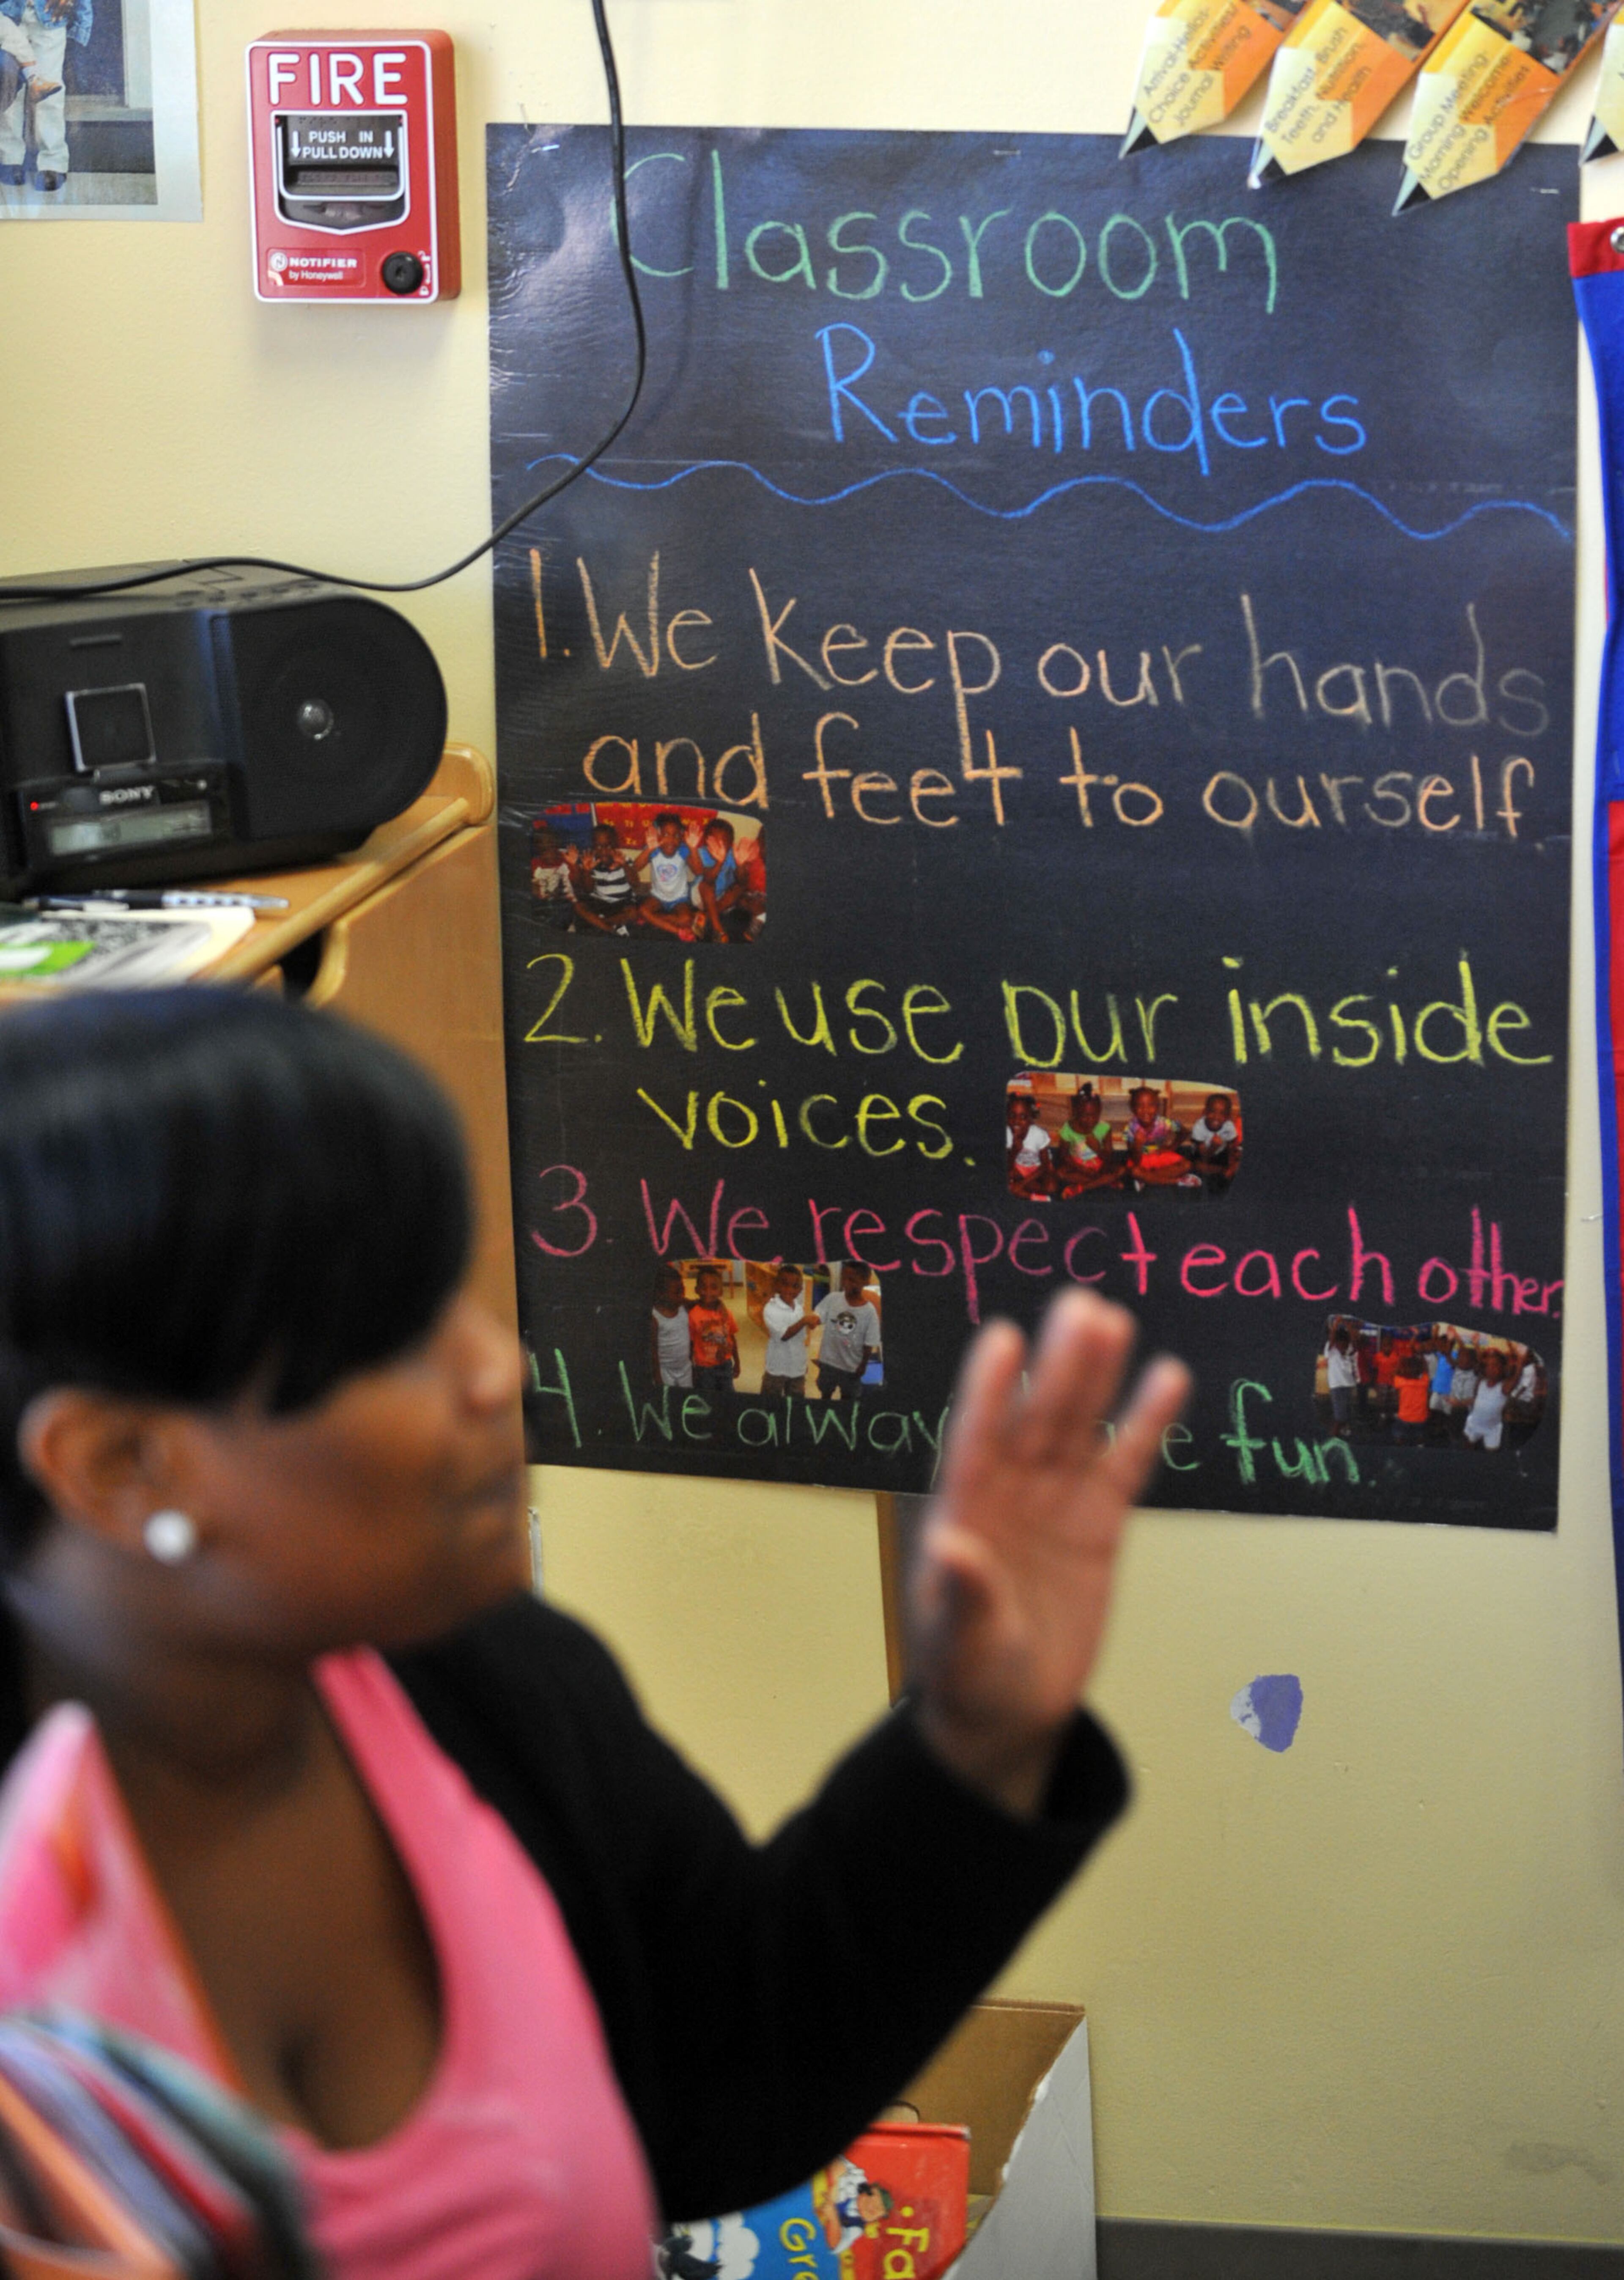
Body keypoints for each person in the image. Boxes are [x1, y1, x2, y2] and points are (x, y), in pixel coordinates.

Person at [0, 989, 1188, 2279]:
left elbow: (728, 2077)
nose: (496, 1365)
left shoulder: (484, 1679)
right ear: (118, 1464)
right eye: (395, 1335)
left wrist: (982, 1725)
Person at [0, 0, 84, 193]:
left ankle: (53, 162)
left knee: (49, 88)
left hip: (50, 13)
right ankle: (9, 157)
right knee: (10, 85)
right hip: (9, 13)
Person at [814, 1265, 881, 1402]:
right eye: (844, 1279)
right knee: (825, 1394)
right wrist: (811, 1320)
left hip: (851, 1367)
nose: (846, 1284)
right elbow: (818, 1315)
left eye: (852, 1280)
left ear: (866, 1282)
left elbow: (870, 1343)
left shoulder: (869, 1312)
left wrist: (863, 1365)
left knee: (848, 1398)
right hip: (829, 1362)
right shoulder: (833, 1299)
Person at [686, 1261, 740, 1412]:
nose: (708, 1292)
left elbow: (732, 1338)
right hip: (704, 1369)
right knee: (707, 1401)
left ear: (722, 1291)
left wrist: (738, 1363)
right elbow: (690, 1343)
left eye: (714, 1287)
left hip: (725, 1365)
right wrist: (693, 1368)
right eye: (704, 1287)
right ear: (697, 1290)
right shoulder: (693, 1315)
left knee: (728, 1399)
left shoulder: (726, 1313)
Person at [636, 813, 700, 941]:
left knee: (687, 919)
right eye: (666, 835)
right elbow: (636, 867)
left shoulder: (683, 850)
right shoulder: (654, 850)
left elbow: (698, 871)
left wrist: (693, 849)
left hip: (680, 899)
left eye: (676, 836)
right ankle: (678, 931)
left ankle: (655, 919)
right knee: (643, 910)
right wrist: (649, 849)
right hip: (658, 897)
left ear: (682, 837)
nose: (671, 840)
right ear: (658, 835)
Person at [760, 1264, 817, 1400]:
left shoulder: (798, 1308)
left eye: (796, 1286)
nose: (790, 1290)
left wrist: (803, 1364)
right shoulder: (771, 1309)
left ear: (801, 1289)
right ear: (777, 1285)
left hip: (797, 1369)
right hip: (777, 1369)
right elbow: (784, 1336)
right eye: (785, 1284)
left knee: (796, 1403)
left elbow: (800, 1341)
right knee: (770, 1402)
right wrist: (804, 1321)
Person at [1122, 1087, 1198, 1189]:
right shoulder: (1130, 1129)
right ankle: (1176, 1181)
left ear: (1158, 1107)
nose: (1146, 1110)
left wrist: (1172, 1147)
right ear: (1133, 1108)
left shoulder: (1164, 1123)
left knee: (1187, 1165)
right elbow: (1135, 1159)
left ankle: (1147, 1179)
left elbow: (1185, 1132)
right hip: (1141, 1159)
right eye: (1140, 1106)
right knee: (1134, 1172)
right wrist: (1137, 1144)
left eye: (1151, 1105)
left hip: (1159, 1154)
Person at [571, 823, 639, 934]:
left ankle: (601, 924)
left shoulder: (623, 860)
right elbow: (588, 890)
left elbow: (636, 884)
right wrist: (587, 871)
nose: (603, 852)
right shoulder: (593, 863)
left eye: (608, 846)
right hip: (600, 902)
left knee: (633, 913)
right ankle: (611, 928)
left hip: (622, 903)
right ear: (593, 847)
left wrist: (625, 866)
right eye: (598, 847)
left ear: (615, 845)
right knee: (578, 906)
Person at [1052, 1086, 1116, 1196]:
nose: (1090, 1120)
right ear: (1076, 1112)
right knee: (1059, 1173)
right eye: (1085, 1116)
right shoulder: (1068, 1128)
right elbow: (1063, 1156)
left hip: (1098, 1164)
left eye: (1094, 1116)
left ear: (1100, 1111)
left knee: (1121, 1170)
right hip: (1077, 1165)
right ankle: (1102, 1182)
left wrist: (1097, 1149)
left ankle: (1082, 1187)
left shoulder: (1105, 1128)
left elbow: (1109, 1157)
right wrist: (1082, 1169)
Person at [649, 1266, 692, 1393]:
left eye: (683, 1290)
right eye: (677, 1292)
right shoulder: (655, 1318)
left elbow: (702, 1303)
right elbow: (653, 1351)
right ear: (660, 1294)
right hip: (665, 1370)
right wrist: (658, 1378)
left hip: (685, 1368)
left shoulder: (683, 1306)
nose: (682, 1295)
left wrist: (720, 1305)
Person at [1188, 1093, 1241, 1193]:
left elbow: (1231, 1147)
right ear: (1205, 1112)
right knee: (1198, 1166)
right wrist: (1214, 1147)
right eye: (1212, 1112)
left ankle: (1228, 1171)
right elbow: (1205, 1157)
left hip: (1222, 1153)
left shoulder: (1229, 1127)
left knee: (1238, 1158)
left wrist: (1232, 1163)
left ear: (1228, 1117)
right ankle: (1223, 1171)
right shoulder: (1199, 1128)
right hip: (1203, 1155)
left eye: (1223, 1114)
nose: (1217, 1117)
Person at [530, 823, 576, 928]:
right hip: (544, 904)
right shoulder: (535, 864)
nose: (549, 853)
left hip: (565, 903)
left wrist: (573, 865)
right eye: (544, 850)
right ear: (538, 849)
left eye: (552, 847)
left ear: (558, 845)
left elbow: (576, 882)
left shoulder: (566, 860)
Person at [1006, 1093, 1052, 1197]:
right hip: (1019, 1168)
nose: (1017, 1121)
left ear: (1031, 1119)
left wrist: (1022, 1184)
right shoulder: (1007, 1134)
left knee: (1051, 1187)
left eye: (1023, 1117)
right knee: (1003, 1179)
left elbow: (1045, 1165)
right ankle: (1033, 1197)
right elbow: (1008, 1166)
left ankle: (1022, 1190)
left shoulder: (1039, 1135)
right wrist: (1015, 1150)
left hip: (1037, 1168)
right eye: (1012, 1116)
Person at [1463, 1350, 1509, 1451]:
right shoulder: (1482, 1382)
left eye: (1495, 1366)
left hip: (1492, 1428)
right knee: (1469, 1444)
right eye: (1488, 1366)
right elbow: (1476, 1397)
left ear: (1503, 1368)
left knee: (1492, 1451)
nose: (1491, 1369)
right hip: (1475, 1422)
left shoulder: (1504, 1386)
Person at [1324, 1325, 1357, 1438]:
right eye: (1340, 1344)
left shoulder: (1349, 1350)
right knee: (1340, 1415)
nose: (1343, 1346)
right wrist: (1337, 1324)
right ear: (1336, 1343)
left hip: (1348, 1385)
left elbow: (1354, 1337)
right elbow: (1332, 1337)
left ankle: (1345, 1430)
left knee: (1347, 1410)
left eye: (1345, 1344)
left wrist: (1348, 1325)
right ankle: (1334, 1435)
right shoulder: (1331, 1351)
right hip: (1337, 1386)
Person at [1393, 1354, 1431, 1447]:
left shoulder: (1401, 1382)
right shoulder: (1424, 1382)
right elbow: (1426, 1371)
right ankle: (1420, 1443)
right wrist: (1423, 1361)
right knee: (1420, 1431)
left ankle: (1400, 1441)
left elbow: (1396, 1373)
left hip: (1404, 1418)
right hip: (1421, 1418)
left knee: (1398, 1429)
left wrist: (1400, 1362)